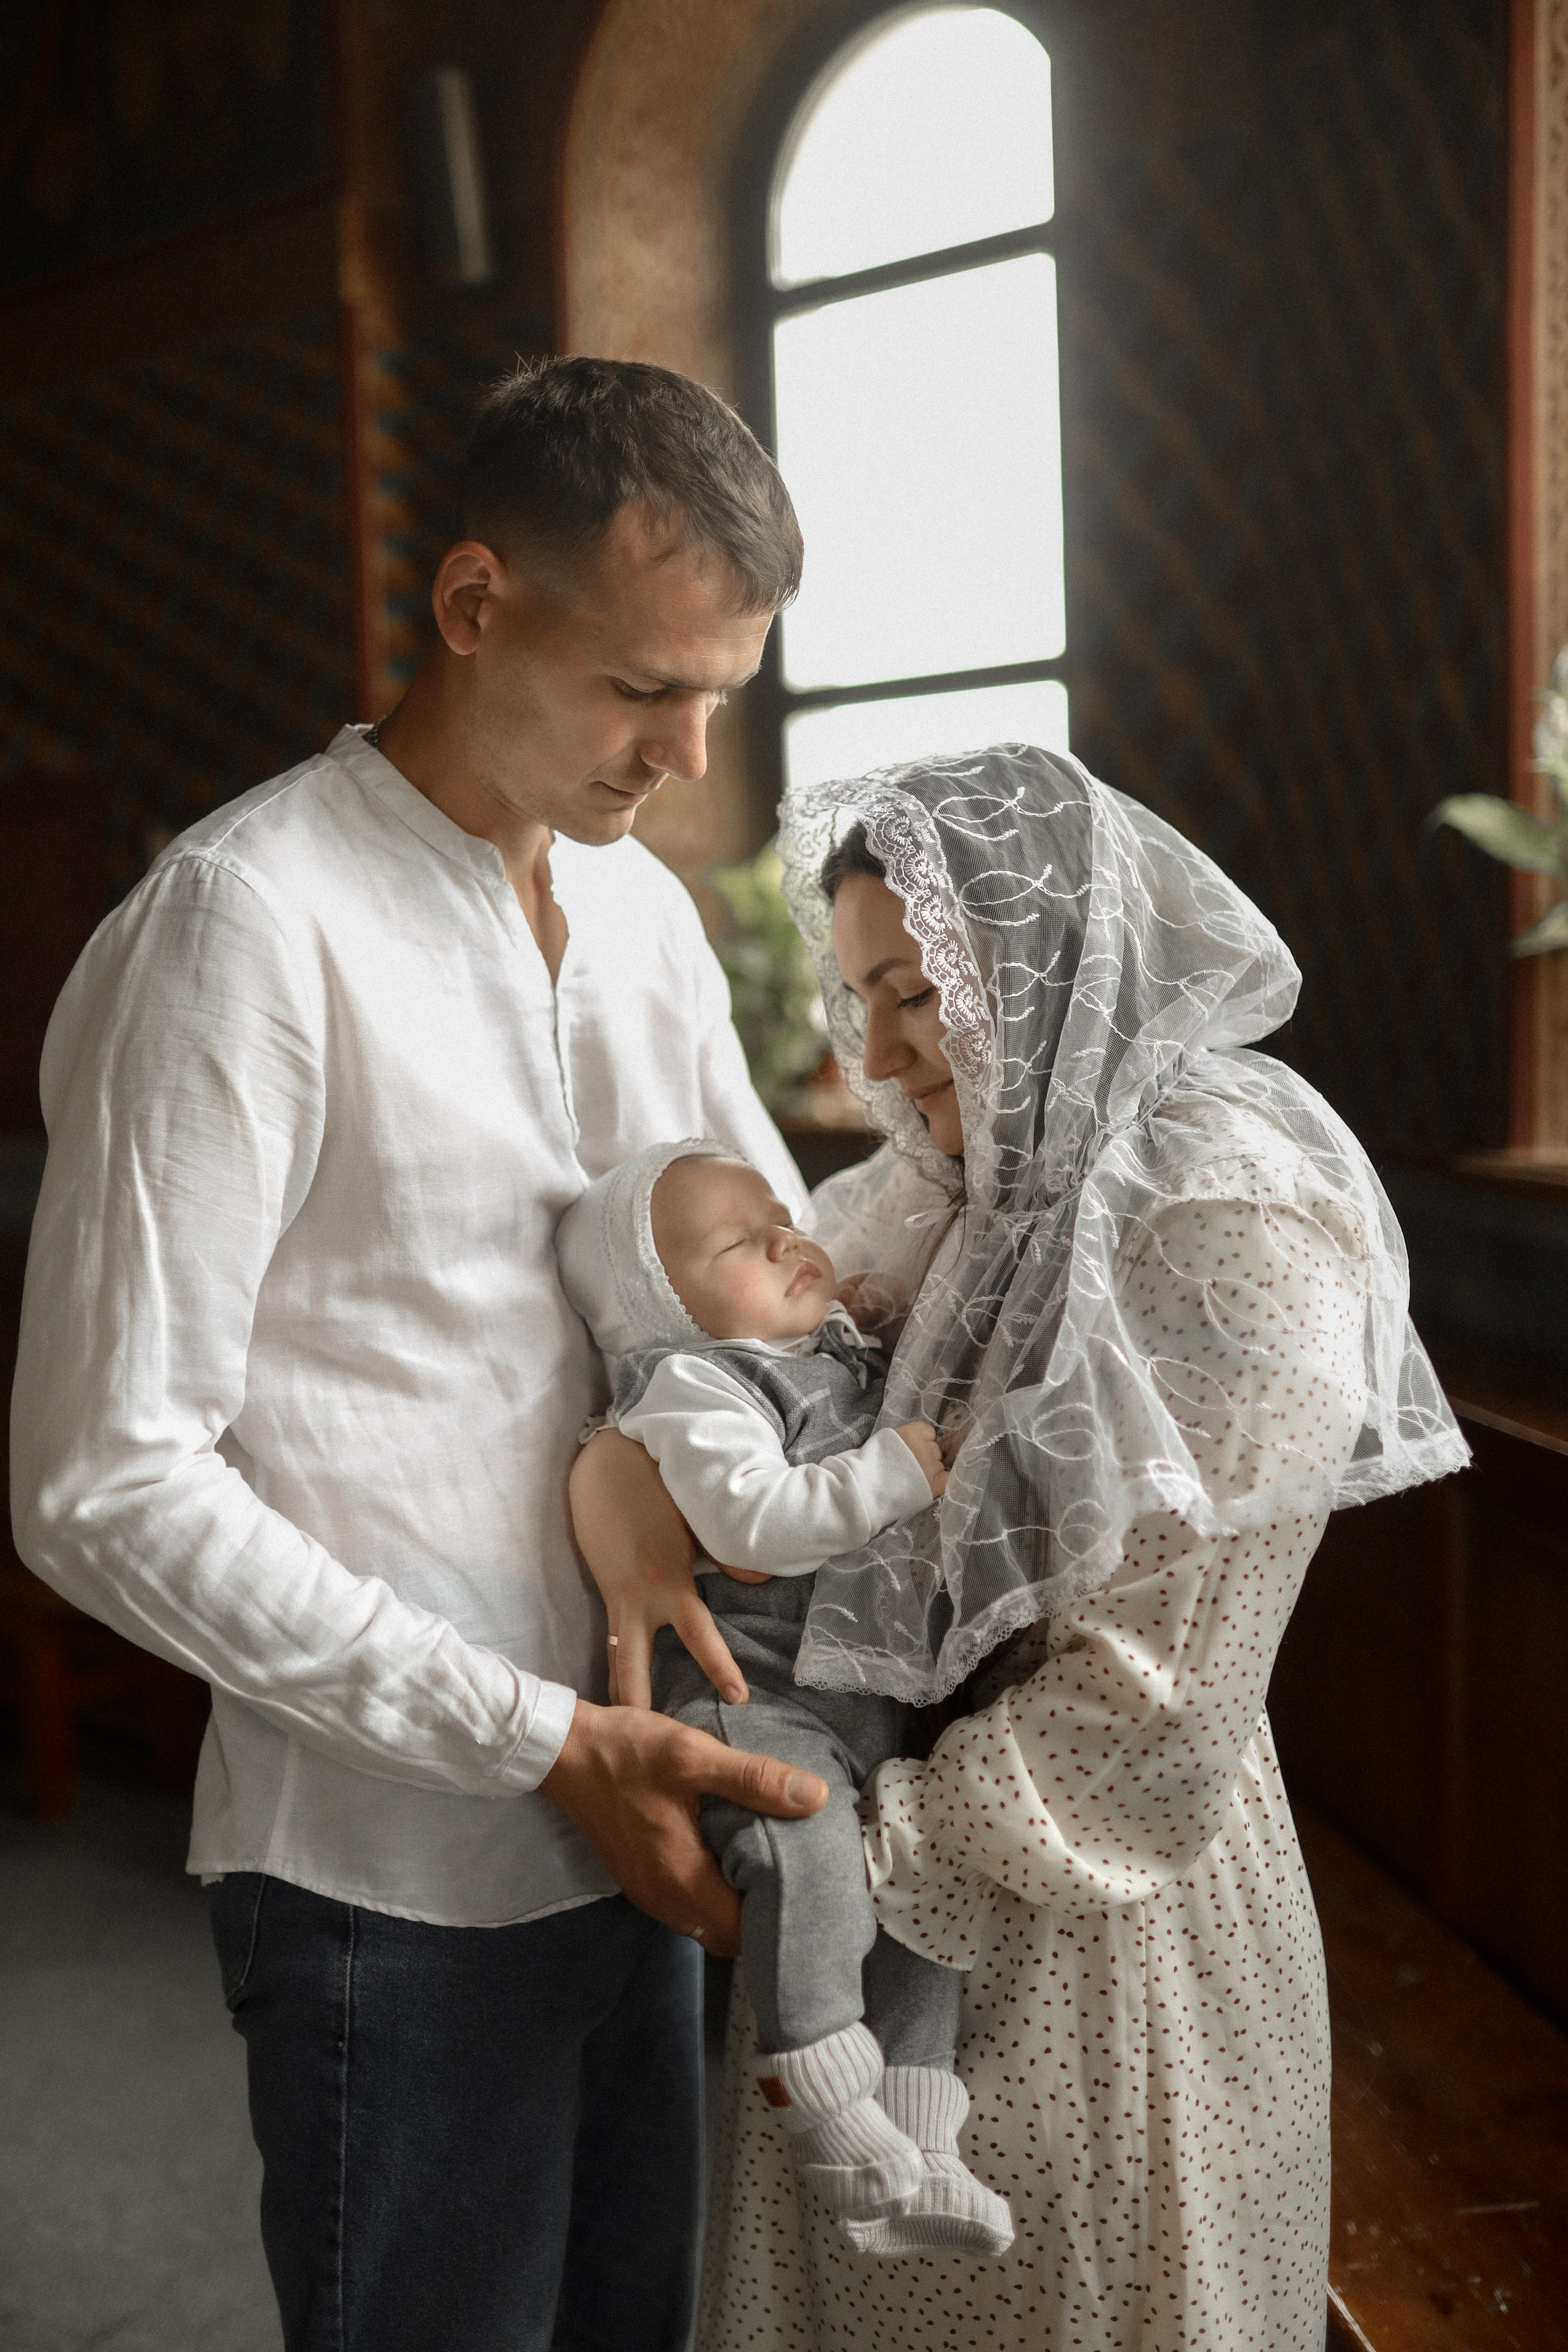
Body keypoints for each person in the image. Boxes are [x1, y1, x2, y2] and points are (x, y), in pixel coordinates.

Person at [9, 356, 835, 2352]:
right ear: (476, 603)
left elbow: (769, 1271)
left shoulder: (643, 917)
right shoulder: (240, 924)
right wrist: (543, 1743)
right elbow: (101, 1483)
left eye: (720, 696)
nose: (686, 754)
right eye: (642, 687)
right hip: (392, 1873)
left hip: (652, 1802)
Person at [572, 742, 1468, 2352]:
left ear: (1043, 960)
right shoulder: (941, 1188)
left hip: (1088, 1926)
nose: (880, 1054)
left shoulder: (1226, 1202)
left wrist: (825, 1862)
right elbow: (713, 1371)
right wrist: (620, 1481)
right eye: (863, 999)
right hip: (871, 1870)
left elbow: (1151, 1716)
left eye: (917, 994)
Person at [556, 1138, 1013, 2259]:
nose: (783, 1239)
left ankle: (923, 2139)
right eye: (736, 1243)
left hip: (865, 1705)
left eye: (779, 1217)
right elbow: (751, 1528)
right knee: (803, 1849)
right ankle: (823, 2098)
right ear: (661, 1308)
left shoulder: (829, 1351)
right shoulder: (694, 1384)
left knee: (922, 1894)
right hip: (754, 1699)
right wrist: (898, 1469)